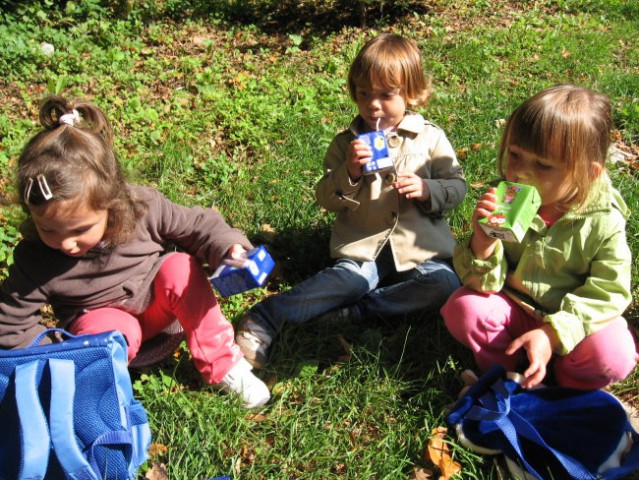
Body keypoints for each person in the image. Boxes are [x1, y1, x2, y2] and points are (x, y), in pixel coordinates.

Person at [0, 95, 270, 409]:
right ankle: (103, 396)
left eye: (79, 230)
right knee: (115, 328)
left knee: (180, 267)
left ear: (110, 203)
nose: (66, 243)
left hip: (160, 312)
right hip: (102, 332)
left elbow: (200, 226)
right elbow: (10, 325)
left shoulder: (144, 208)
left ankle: (224, 365)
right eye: (49, 230)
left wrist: (228, 248)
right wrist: (59, 352)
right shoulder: (36, 259)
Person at [236, 33, 467, 368]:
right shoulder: (346, 144)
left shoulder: (430, 138)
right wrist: (349, 173)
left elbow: (457, 187)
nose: (373, 105)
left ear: (412, 93)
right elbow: (326, 198)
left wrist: (429, 189)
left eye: (386, 95)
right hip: (366, 245)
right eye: (364, 94)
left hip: (420, 250)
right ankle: (265, 318)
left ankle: (355, 311)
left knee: (445, 283)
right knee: (348, 279)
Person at [441, 84, 637, 390]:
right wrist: (482, 244)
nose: (520, 173)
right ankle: (505, 373)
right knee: (463, 309)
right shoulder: (506, 199)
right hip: (517, 306)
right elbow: (479, 285)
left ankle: (564, 385)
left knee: (614, 353)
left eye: (543, 165)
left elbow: (608, 292)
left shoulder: (603, 221)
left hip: (572, 322)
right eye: (515, 155)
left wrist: (553, 334)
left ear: (588, 174)